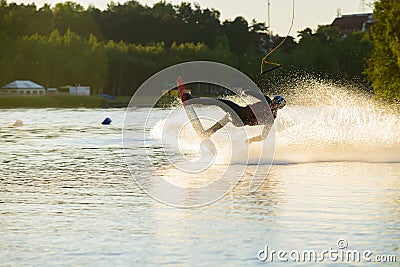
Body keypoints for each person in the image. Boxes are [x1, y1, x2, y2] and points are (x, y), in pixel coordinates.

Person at [177, 76, 286, 143]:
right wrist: (244, 92)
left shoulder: (271, 119)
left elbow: (263, 136)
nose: (272, 105)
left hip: (240, 119)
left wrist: (250, 141)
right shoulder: (266, 100)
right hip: (239, 114)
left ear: (278, 108)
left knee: (220, 103)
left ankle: (189, 99)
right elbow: (252, 93)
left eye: (275, 105)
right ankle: (208, 133)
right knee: (226, 116)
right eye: (273, 102)